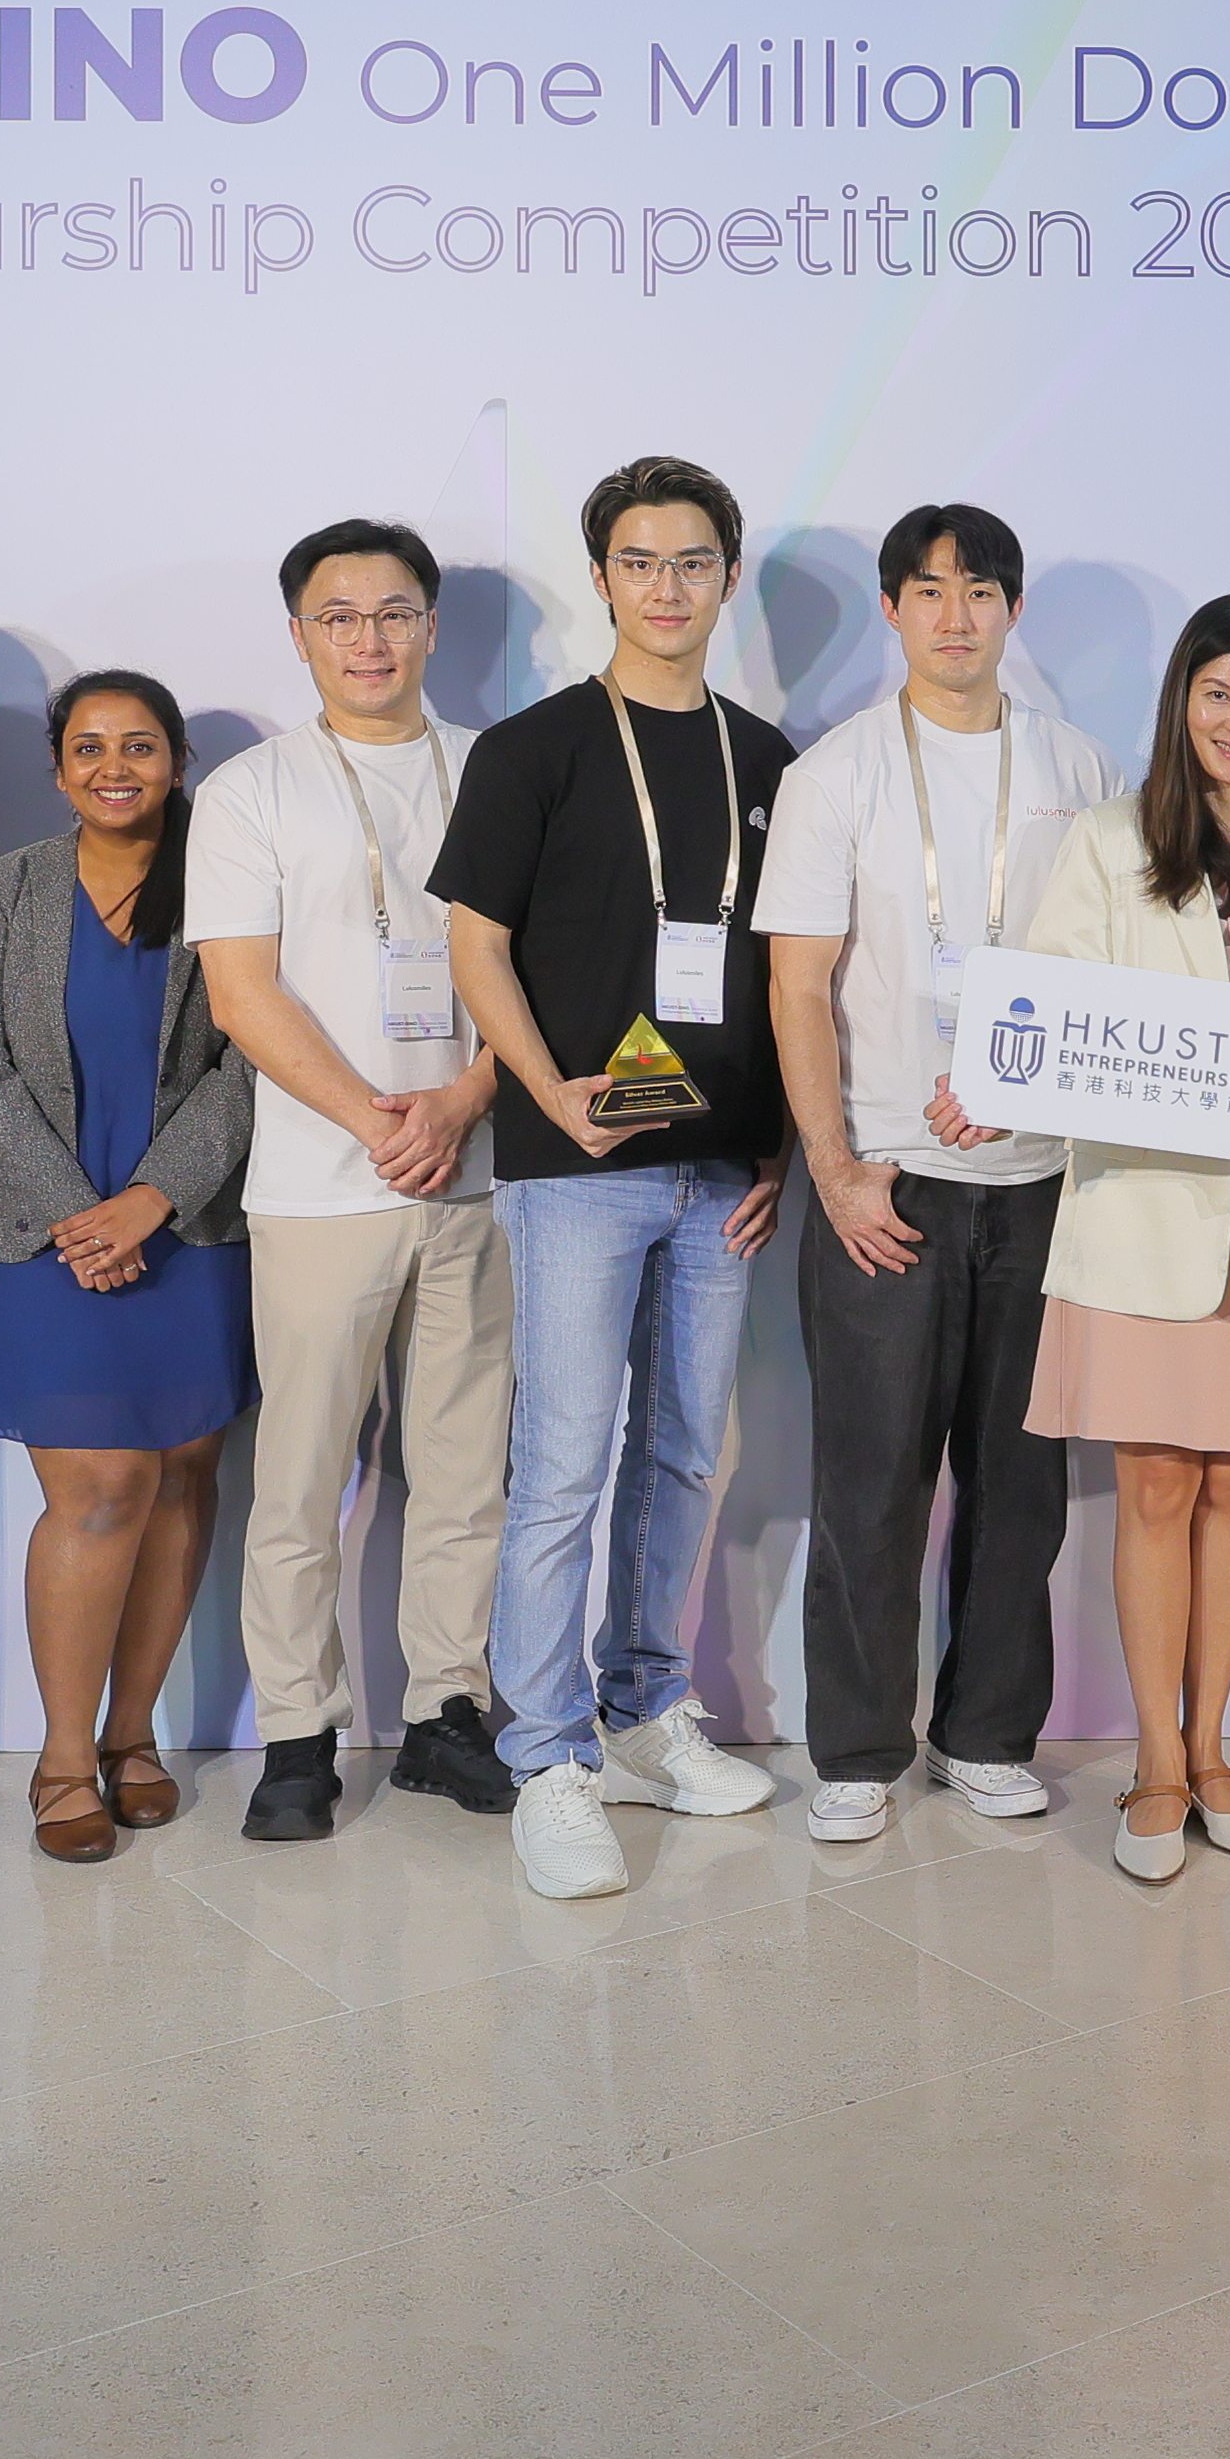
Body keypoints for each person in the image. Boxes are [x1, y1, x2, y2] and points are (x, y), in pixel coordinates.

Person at [951, 594, 1230, 1885]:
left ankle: (1215, 1752)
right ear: (1180, 704)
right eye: (1218, 696)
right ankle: (1153, 1762)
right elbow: (1055, 1015)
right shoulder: (1104, 843)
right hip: (1142, 1214)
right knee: (1152, 1486)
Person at [437, 455, 798, 1906]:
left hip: (723, 1168)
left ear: (726, 577)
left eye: (694, 562)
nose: (667, 587)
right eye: (640, 562)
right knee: (566, 1465)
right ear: (602, 580)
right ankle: (547, 1754)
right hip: (577, 1165)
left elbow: (792, 970)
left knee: (689, 1454)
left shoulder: (770, 758)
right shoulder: (531, 750)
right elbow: (478, 943)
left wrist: (778, 1136)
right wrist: (547, 1097)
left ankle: (647, 1710)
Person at [757, 502, 1119, 1846]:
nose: (956, 615)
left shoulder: (1079, 767)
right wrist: (837, 1172)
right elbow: (796, 987)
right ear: (893, 610)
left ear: (1013, 611)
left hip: (1043, 1183)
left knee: (1024, 1482)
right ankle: (854, 1746)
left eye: (981, 591)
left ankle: (987, 1732)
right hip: (888, 1183)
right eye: (929, 590)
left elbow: (1111, 974)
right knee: (870, 1479)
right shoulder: (836, 774)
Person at [193, 519, 517, 1845]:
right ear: (300, 636)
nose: (370, 638)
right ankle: (297, 1737)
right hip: (322, 1185)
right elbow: (241, 991)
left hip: (477, 1175)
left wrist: (463, 1100)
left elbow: (548, 971)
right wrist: (379, 1119)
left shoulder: (500, 774)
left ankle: (448, 1713)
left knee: (462, 1468)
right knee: (301, 1475)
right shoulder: (254, 791)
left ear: (433, 627)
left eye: (395, 612)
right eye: (342, 616)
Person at [0, 672, 256, 1866]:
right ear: (60, 768)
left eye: (139, 744)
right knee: (103, 1484)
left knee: (178, 1476)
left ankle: (135, 1738)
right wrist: (86, 1216)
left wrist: (150, 1200)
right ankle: (65, 1755)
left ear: (176, 758)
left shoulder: (226, 878)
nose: (113, 764)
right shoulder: (7, 887)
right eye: (88, 746)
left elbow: (247, 1056)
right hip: (35, 1235)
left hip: (193, 1227)